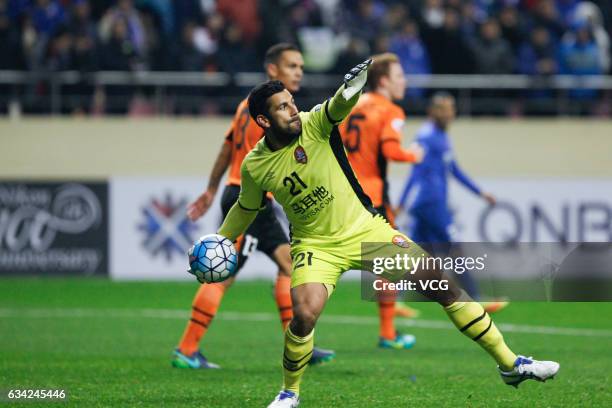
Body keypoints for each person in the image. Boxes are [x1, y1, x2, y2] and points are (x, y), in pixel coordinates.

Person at [206, 60, 559, 408]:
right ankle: (289, 392)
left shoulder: (314, 124)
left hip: (366, 230)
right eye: (283, 108)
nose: (293, 110)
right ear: (264, 121)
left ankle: (510, 364)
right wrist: (222, 238)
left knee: (443, 285)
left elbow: (338, 105)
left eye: (292, 102)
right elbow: (247, 207)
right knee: (305, 314)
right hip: (316, 247)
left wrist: (351, 89)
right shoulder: (255, 164)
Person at [172, 43, 335, 369]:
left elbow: (226, 146)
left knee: (284, 265)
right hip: (249, 200)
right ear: (272, 70)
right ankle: (187, 349)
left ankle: (300, 344)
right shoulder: (272, 114)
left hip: (241, 194)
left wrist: (210, 189)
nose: (298, 72)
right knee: (244, 272)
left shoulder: (245, 107)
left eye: (301, 66)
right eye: (292, 66)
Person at [339, 52, 423, 348]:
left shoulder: (351, 105)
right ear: (384, 81)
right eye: (400, 76)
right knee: (390, 260)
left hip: (343, 193)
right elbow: (391, 151)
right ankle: (388, 333)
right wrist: (414, 154)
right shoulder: (391, 110)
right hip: (372, 195)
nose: (405, 81)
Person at [396, 93, 507, 313]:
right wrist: (400, 203)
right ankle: (475, 298)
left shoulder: (441, 136)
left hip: (428, 205)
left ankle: (392, 301)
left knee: (414, 254)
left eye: (451, 109)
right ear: (433, 112)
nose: (449, 114)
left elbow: (454, 169)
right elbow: (415, 173)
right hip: (431, 204)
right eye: (444, 109)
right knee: (455, 249)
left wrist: (480, 192)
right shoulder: (426, 137)